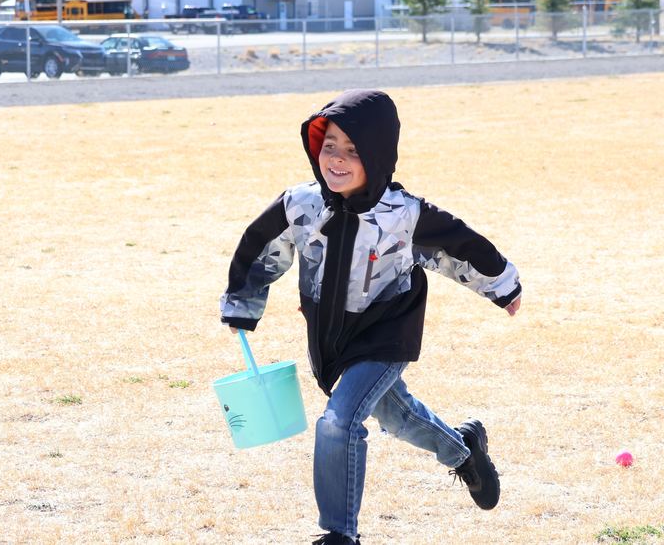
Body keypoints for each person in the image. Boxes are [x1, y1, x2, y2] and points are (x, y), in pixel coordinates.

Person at [219, 89, 522, 544]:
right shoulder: (300, 206)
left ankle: (338, 534)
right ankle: (465, 452)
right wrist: (242, 304)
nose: (337, 159)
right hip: (331, 340)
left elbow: (458, 245)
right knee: (398, 417)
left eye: (354, 149)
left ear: (378, 154)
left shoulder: (404, 214)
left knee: (339, 420)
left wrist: (501, 285)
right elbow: (260, 249)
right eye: (330, 146)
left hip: (386, 333)